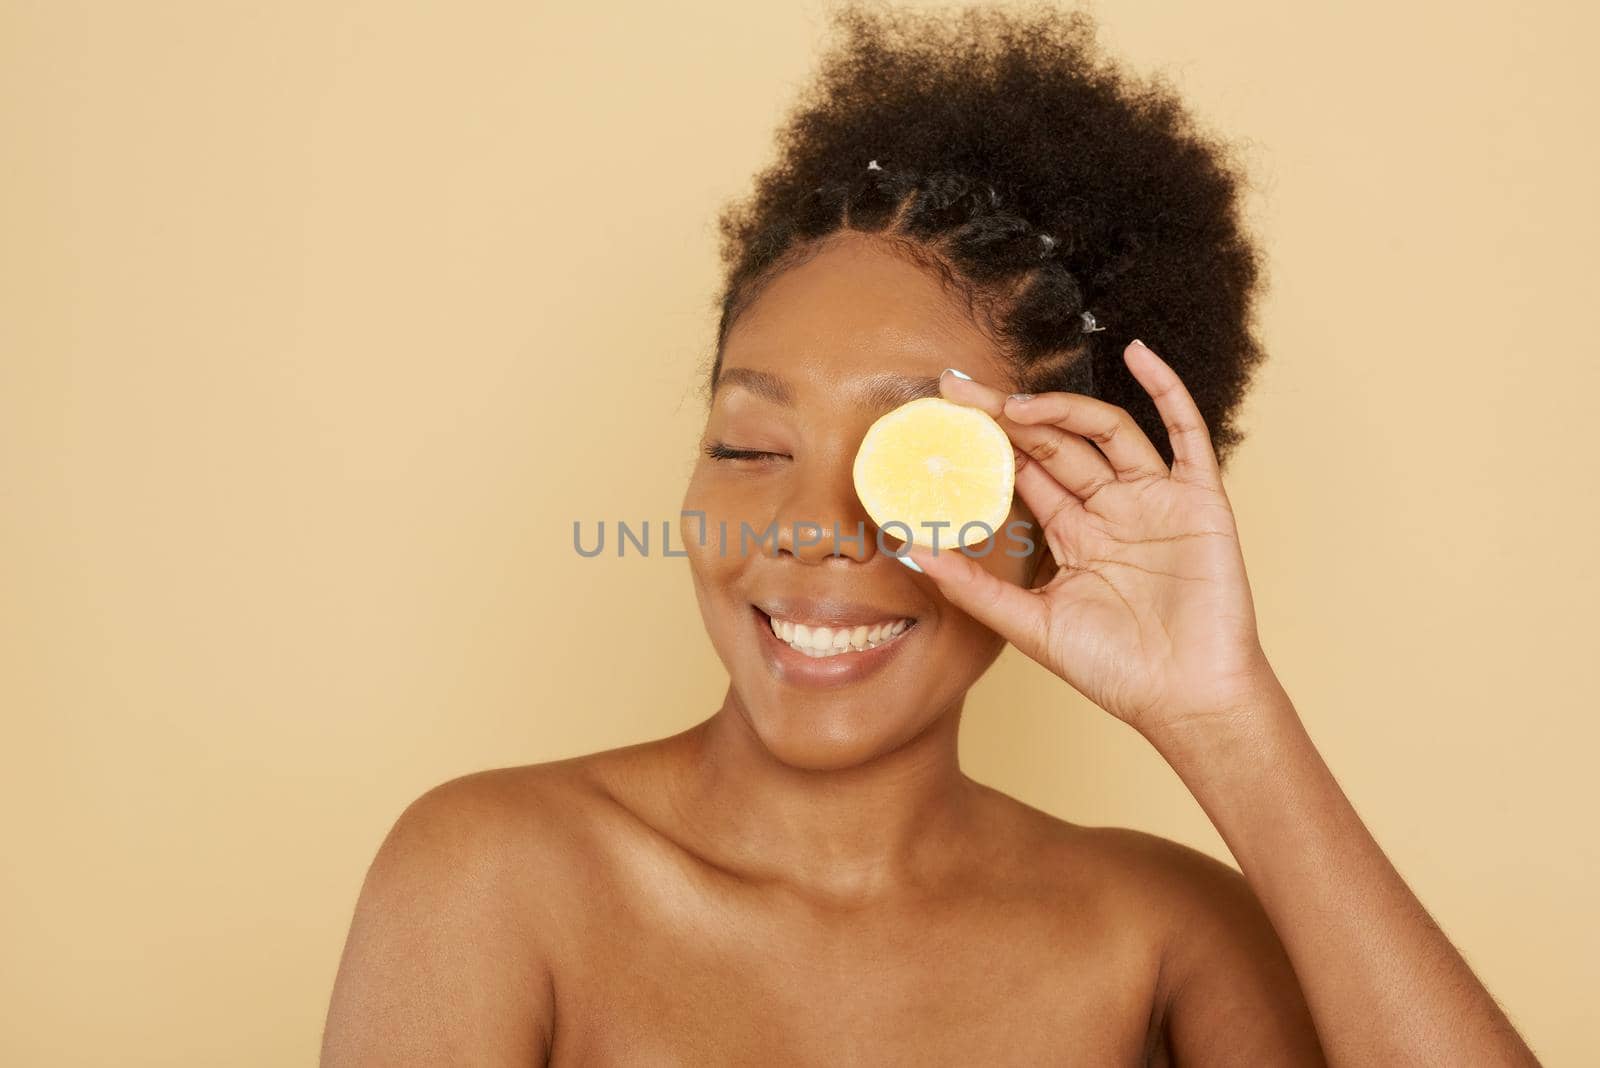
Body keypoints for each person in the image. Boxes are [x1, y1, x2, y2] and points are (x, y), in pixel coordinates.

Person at [321, 6, 1539, 1064]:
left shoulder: (1165, 937)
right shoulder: (495, 876)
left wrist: (1226, 720)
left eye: (911, 466)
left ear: (1054, 521)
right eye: (749, 447)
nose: (811, 529)